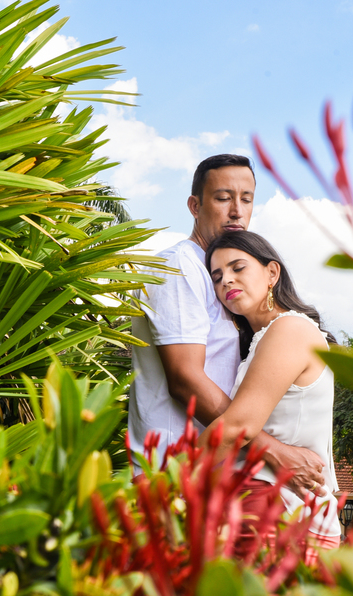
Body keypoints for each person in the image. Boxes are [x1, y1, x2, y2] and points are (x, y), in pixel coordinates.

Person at [128, 154, 326, 494]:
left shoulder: (225, 283)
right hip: (172, 475)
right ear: (194, 205)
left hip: (217, 476)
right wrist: (272, 451)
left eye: (246, 199)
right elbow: (185, 380)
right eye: (223, 198)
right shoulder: (179, 267)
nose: (237, 211)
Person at [202, 229, 342, 551]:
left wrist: (170, 486)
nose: (226, 281)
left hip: (283, 517)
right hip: (271, 510)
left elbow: (238, 427)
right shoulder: (262, 341)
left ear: (272, 273)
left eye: (238, 268)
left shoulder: (290, 329)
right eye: (217, 276)